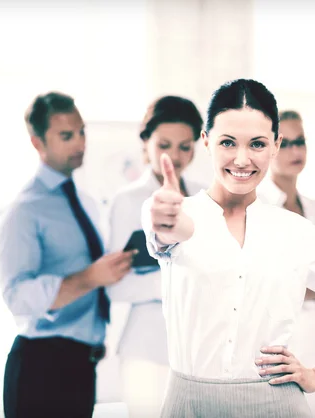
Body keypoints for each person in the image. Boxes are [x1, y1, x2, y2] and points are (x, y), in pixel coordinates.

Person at [142, 79, 315, 417]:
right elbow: (170, 230)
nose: (242, 159)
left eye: (257, 144)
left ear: (275, 145)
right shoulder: (175, 213)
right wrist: (165, 217)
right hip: (189, 405)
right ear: (206, 142)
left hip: (276, 405)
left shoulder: (296, 232)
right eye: (228, 142)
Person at [0, 92, 135, 418]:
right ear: (37, 142)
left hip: (82, 367)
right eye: (66, 136)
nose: (80, 143)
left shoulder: (85, 202)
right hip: (40, 368)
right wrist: (90, 278)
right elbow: (16, 296)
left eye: (82, 132)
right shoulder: (23, 210)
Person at [105, 95, 206, 417]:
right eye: (164, 144)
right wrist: (182, 281)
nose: (174, 156)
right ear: (145, 140)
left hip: (202, 349)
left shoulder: (206, 198)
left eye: (185, 146)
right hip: (147, 350)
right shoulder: (128, 201)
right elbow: (117, 286)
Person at [257, 109, 315, 418]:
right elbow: (259, 282)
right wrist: (309, 283)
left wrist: (299, 283)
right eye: (285, 142)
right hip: (279, 340)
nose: (295, 150)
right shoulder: (258, 208)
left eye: (301, 141)